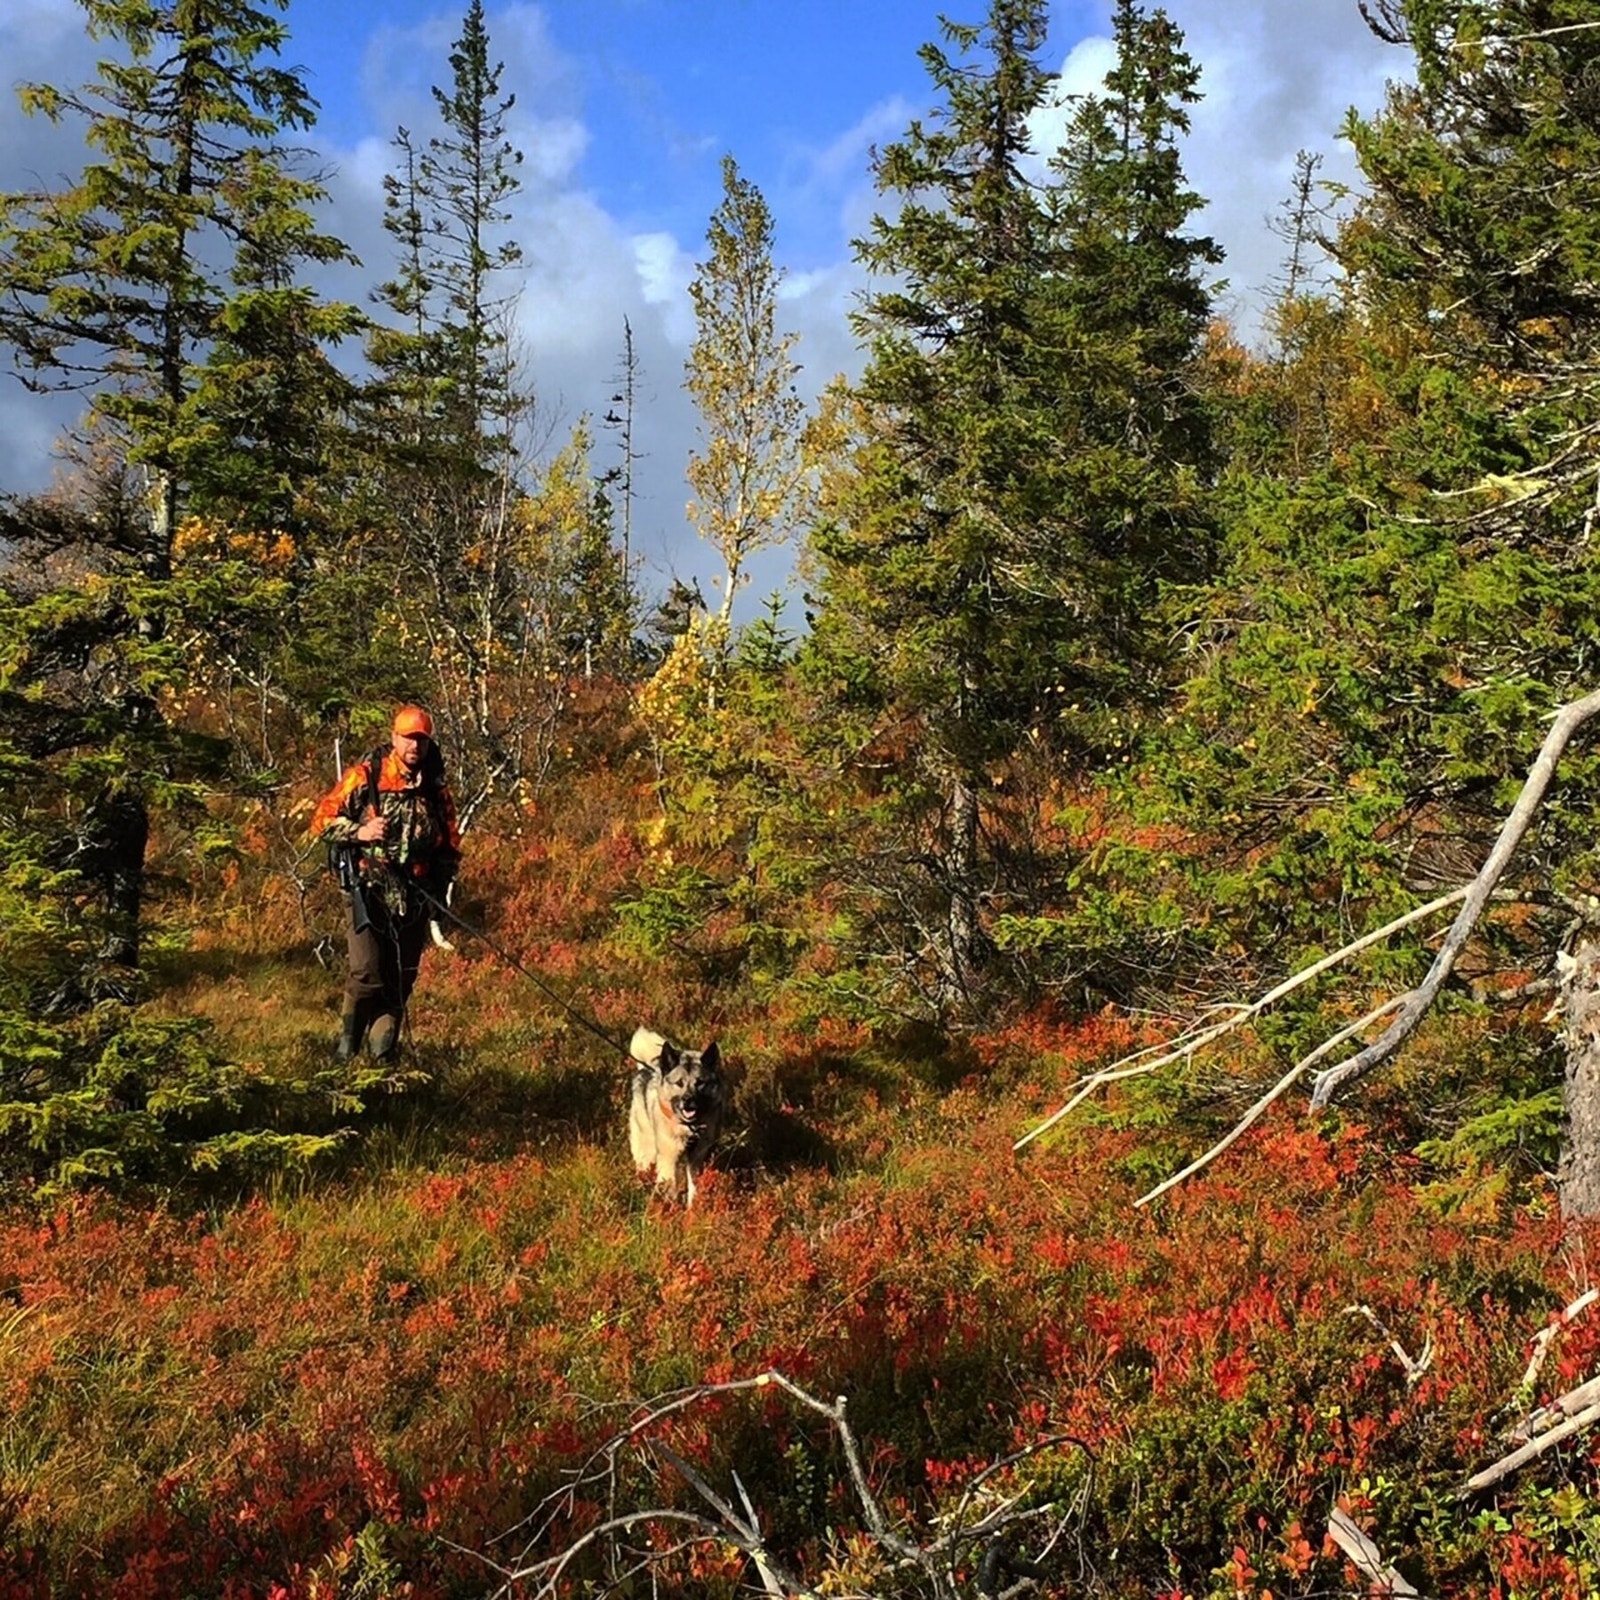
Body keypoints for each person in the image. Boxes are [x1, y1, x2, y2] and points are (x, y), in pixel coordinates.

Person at [309, 705, 461, 1059]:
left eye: (421, 740)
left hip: (415, 896)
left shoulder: (436, 790)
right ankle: (345, 1052)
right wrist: (361, 831)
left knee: (399, 981)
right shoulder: (366, 777)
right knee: (366, 974)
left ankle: (382, 1061)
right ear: (394, 738)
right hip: (368, 888)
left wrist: (440, 895)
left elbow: (450, 845)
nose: (415, 746)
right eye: (408, 738)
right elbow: (321, 821)